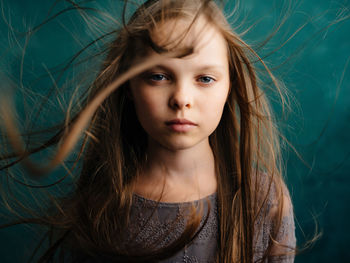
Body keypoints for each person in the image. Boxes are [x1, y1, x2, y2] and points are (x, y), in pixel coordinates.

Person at [0, 0, 296, 262]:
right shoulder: (103, 207)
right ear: (129, 85)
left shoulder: (265, 200)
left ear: (230, 86)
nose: (181, 98)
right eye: (158, 76)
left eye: (205, 78)